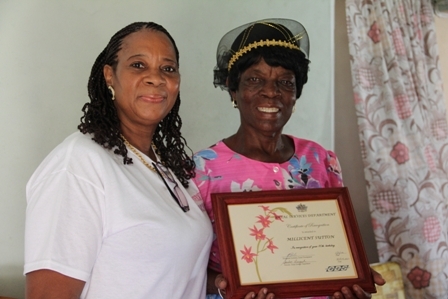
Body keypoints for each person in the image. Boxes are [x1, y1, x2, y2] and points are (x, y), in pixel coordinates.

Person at [190, 19, 386, 299]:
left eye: (285, 82)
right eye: (255, 79)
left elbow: (334, 243)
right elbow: (186, 266)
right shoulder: (200, 170)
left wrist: (351, 278)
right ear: (233, 89)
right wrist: (227, 285)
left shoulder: (320, 158)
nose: (271, 92)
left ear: (296, 93)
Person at [24, 21, 215, 299]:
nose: (156, 78)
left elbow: (167, 272)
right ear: (109, 75)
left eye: (168, 68)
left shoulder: (165, 166)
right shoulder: (80, 163)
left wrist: (228, 283)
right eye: (138, 65)